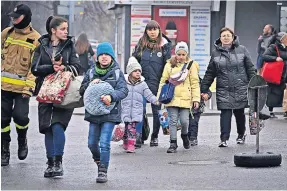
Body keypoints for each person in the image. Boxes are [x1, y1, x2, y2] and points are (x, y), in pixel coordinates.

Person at [31, 16, 80, 177]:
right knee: (47, 128)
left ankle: (58, 163)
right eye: (63, 29)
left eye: (66, 29)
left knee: (58, 125)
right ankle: (50, 163)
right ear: (53, 30)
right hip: (45, 91)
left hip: (64, 92)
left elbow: (78, 67)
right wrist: (51, 68)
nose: (66, 32)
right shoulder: (42, 45)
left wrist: (64, 67)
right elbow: (35, 68)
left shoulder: (70, 45)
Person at [79, 42, 128, 183]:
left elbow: (124, 91)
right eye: (101, 55)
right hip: (93, 114)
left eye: (107, 54)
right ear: (97, 57)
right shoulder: (90, 72)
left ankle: (102, 171)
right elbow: (81, 90)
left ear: (112, 57)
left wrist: (111, 97)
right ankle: (98, 159)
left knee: (104, 142)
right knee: (92, 143)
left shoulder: (117, 73)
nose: (104, 57)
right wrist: (89, 85)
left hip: (110, 114)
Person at [201, 27, 256, 147]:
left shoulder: (242, 50)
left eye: (228, 35)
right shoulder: (216, 53)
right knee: (225, 114)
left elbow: (250, 68)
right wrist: (204, 88)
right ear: (220, 38)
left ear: (233, 37)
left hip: (240, 87)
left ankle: (241, 135)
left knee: (239, 114)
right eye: (223, 36)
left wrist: (254, 84)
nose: (226, 38)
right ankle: (224, 139)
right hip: (224, 89)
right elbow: (210, 72)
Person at [1, 4, 41, 166]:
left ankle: (22, 140)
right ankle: (4, 149)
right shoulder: (6, 33)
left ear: (26, 17)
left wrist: (28, 88)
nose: (13, 19)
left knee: (20, 117)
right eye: (12, 17)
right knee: (2, 120)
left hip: (22, 90)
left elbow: (34, 68)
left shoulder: (36, 39)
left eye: (17, 17)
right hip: (3, 88)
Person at [133, 20, 172, 147]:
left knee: (157, 112)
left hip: (158, 84)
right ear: (146, 31)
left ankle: (154, 136)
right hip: (142, 83)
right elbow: (134, 62)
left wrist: (166, 83)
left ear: (159, 30)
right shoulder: (141, 44)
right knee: (139, 109)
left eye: (155, 29)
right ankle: (139, 135)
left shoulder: (164, 45)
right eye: (150, 29)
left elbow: (168, 66)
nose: (152, 32)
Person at [157, 41, 200, 153]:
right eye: (179, 54)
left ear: (187, 55)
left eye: (183, 54)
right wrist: (159, 97)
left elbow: (195, 83)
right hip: (171, 98)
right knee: (173, 121)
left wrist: (196, 99)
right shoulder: (169, 65)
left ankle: (184, 135)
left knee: (185, 121)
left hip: (186, 99)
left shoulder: (191, 65)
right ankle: (173, 143)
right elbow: (163, 81)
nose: (181, 57)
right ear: (175, 53)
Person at [121, 57, 158, 153]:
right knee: (125, 129)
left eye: (139, 71)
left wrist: (155, 100)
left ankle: (131, 145)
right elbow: (119, 93)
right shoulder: (124, 83)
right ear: (130, 72)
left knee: (131, 128)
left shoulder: (142, 84)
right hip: (125, 109)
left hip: (136, 110)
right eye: (135, 71)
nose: (138, 72)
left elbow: (148, 94)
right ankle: (125, 141)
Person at [262, 32, 287, 118]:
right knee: (272, 93)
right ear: (280, 39)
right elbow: (264, 56)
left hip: (284, 74)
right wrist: (275, 58)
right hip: (276, 74)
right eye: (285, 38)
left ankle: (285, 110)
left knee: (283, 93)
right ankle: (270, 111)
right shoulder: (273, 47)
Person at [188, 77, 212, 146]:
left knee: (194, 122)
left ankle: (193, 138)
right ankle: (187, 137)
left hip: (197, 107)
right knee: (186, 123)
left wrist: (207, 95)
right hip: (185, 106)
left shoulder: (200, 81)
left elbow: (208, 91)